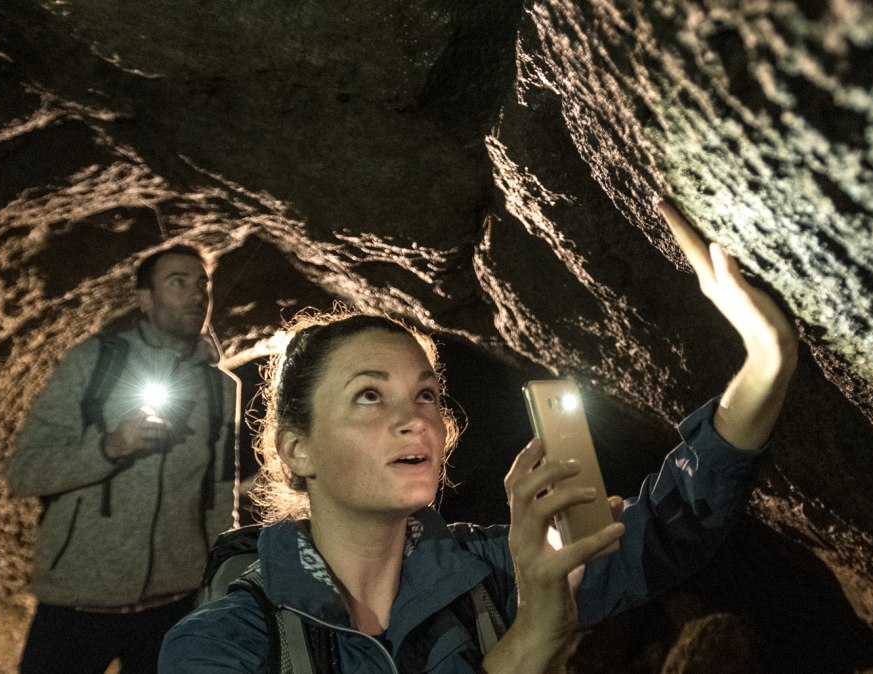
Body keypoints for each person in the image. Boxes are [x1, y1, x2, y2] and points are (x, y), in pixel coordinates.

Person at [158, 198, 797, 672]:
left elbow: (669, 528)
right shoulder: (226, 641)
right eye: (369, 395)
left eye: (427, 394)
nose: (415, 417)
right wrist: (535, 637)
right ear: (297, 449)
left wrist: (768, 361)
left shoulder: (491, 574)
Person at [7, 244, 240, 674]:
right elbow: (23, 472)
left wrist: (215, 588)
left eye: (202, 284)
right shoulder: (92, 363)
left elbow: (219, 494)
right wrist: (108, 448)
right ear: (145, 299)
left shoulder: (219, 389)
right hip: (79, 602)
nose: (196, 295)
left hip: (172, 607)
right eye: (178, 282)